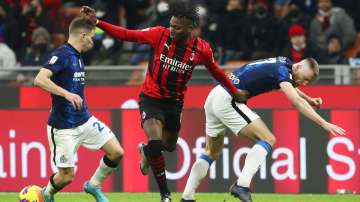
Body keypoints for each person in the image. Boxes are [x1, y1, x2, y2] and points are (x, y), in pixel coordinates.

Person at [81, 1, 247, 201]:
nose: (172, 30)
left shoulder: (201, 49)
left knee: (167, 147)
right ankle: (165, 195)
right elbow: (127, 35)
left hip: (174, 104)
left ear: (190, 28)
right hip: (151, 99)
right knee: (155, 140)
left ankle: (146, 151)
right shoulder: (159, 34)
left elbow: (217, 72)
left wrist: (234, 91)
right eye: (171, 25)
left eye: (177, 27)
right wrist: (98, 22)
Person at [181, 57, 346, 202]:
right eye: (306, 79)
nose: (305, 83)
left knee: (211, 152)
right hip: (228, 98)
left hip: (215, 95)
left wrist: (309, 99)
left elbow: (291, 87)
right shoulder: (283, 69)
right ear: (298, 68)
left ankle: (187, 197)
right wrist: (324, 123)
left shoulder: (284, 63)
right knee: (268, 139)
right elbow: (295, 101)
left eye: (308, 82)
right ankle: (242, 185)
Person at [33, 17, 124, 202]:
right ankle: (47, 194)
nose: (93, 40)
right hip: (63, 127)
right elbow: (39, 80)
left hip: (84, 119)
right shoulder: (63, 55)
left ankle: (93, 185)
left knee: (117, 152)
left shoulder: (78, 55)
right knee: (66, 177)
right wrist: (66, 94)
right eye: (91, 36)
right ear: (82, 35)